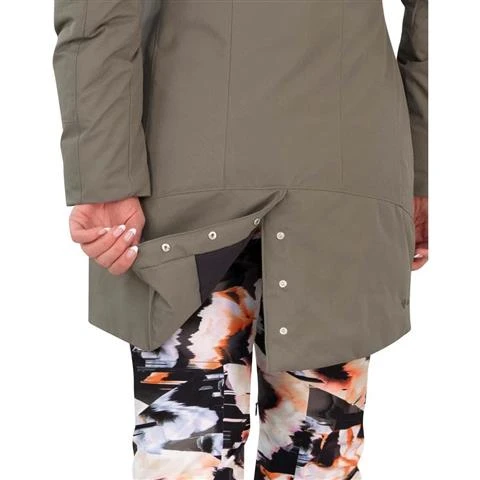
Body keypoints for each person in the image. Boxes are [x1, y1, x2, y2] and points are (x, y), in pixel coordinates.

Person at [53, 1, 428, 478]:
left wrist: (104, 176)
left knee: (187, 446)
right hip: (345, 168)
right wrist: (423, 173)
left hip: (181, 171)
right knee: (316, 454)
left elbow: (96, 12)